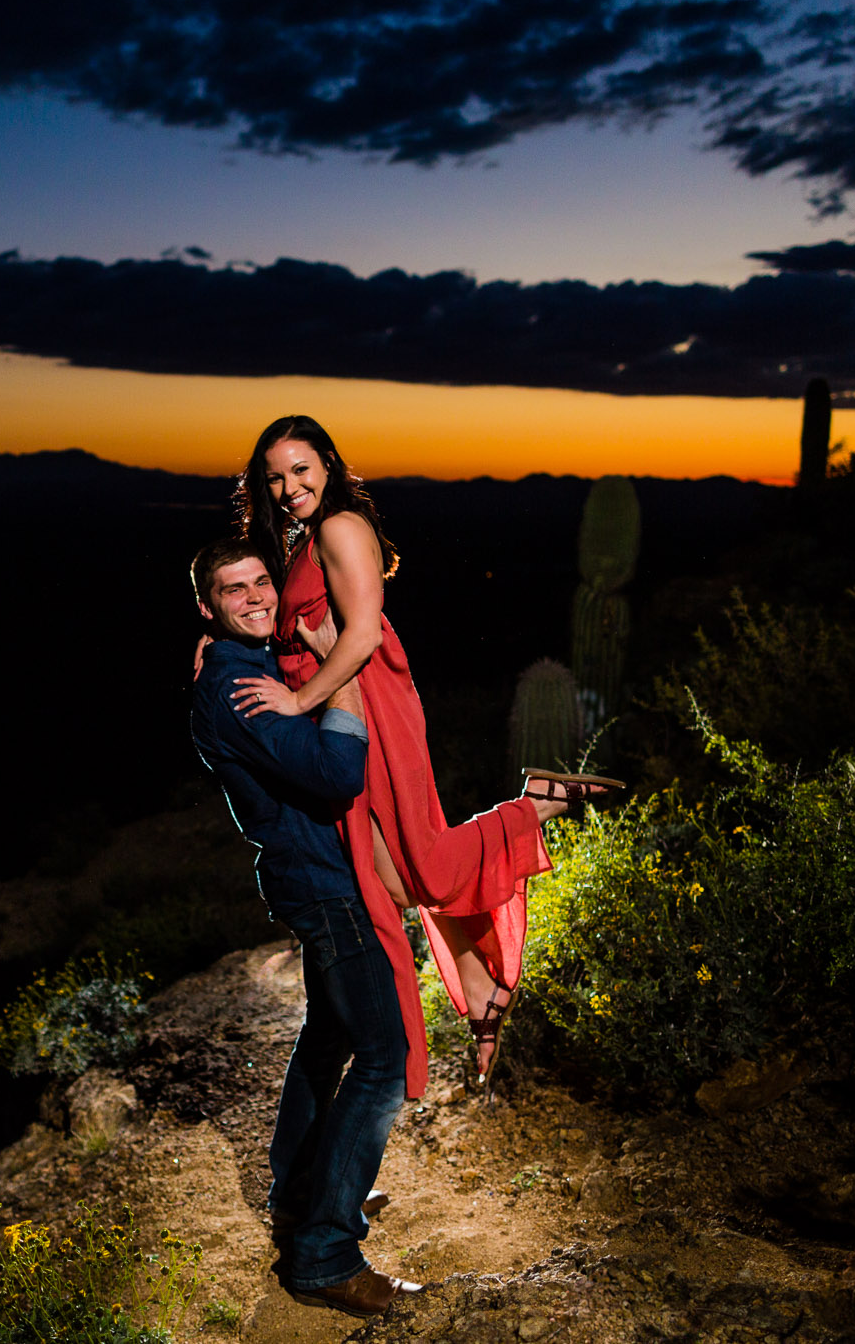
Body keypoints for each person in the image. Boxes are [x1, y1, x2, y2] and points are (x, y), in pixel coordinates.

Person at [225, 414, 606, 1097]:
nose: (288, 487)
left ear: (329, 466)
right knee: (394, 882)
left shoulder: (339, 525)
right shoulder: (302, 537)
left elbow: (365, 632)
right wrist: (220, 641)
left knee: (420, 868)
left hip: (366, 702)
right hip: (336, 704)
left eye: (301, 470)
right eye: (276, 476)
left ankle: (534, 806)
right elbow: (310, 622)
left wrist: (298, 695)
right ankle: (482, 990)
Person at [187, 537, 418, 1318]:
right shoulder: (236, 688)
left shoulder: (244, 665)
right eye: (233, 590)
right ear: (207, 607)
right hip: (322, 885)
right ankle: (324, 1252)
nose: (253, 596)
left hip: (314, 876)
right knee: (385, 1056)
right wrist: (341, 671)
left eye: (260, 581)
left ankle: (298, 1196)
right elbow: (334, 771)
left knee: (329, 1036)